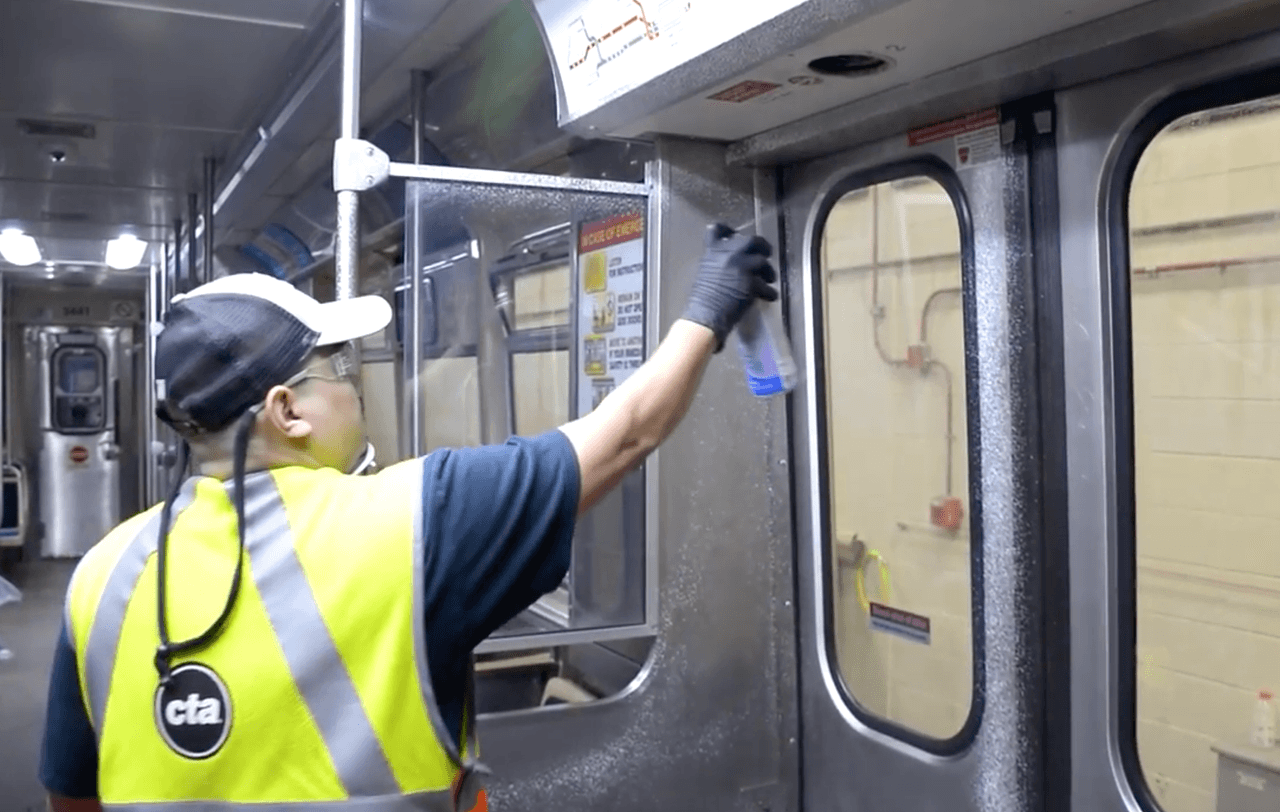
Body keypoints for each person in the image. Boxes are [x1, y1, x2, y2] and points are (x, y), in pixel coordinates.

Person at [38, 223, 778, 812]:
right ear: (286, 410)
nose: (356, 392)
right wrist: (709, 309)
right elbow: (625, 437)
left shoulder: (99, 575)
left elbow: (71, 792)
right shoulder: (412, 518)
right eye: (340, 372)